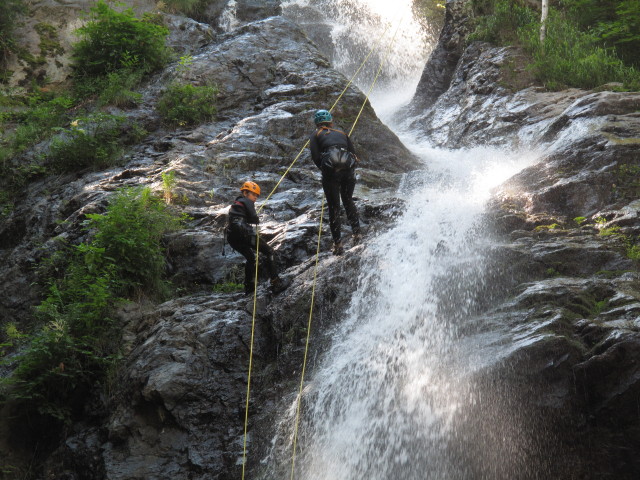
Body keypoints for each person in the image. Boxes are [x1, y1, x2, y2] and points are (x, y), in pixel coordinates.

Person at [309, 109, 362, 255]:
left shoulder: (316, 134)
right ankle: (357, 234)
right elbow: (354, 154)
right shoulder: (342, 134)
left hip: (331, 172)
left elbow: (315, 156)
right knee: (348, 200)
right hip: (348, 171)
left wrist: (326, 170)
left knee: (334, 207)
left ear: (317, 123)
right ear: (331, 121)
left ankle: (338, 244)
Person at [226, 181, 285, 295]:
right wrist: (255, 219)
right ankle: (276, 283)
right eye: (253, 195)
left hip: (232, 236)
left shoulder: (236, 203)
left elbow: (239, 217)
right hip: (243, 232)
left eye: (257, 196)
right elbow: (254, 218)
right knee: (269, 252)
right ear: (245, 193)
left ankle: (249, 288)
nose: (255, 198)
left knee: (251, 258)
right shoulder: (246, 201)